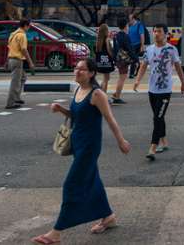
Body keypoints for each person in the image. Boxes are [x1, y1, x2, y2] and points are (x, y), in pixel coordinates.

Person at [32, 59, 130, 244]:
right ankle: (108, 217)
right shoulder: (78, 90)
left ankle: (56, 232)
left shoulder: (97, 94)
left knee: (71, 184)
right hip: (77, 142)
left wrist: (121, 141)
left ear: (92, 73)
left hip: (89, 146)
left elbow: (110, 119)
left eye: (82, 69)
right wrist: (61, 109)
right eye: (76, 68)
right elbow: (76, 116)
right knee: (93, 180)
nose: (77, 71)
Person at [132, 24, 184, 161]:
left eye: (159, 31)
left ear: (166, 34)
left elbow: (178, 67)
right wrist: (137, 80)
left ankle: (153, 147)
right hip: (152, 90)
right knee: (158, 117)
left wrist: (183, 83)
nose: (156, 34)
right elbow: (143, 65)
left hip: (165, 90)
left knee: (157, 117)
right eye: (155, 31)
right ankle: (164, 141)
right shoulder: (149, 49)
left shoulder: (171, 49)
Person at [5, 18, 35, 109]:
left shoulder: (13, 34)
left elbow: (10, 48)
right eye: (29, 26)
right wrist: (30, 62)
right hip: (17, 61)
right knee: (15, 83)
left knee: (23, 77)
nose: (29, 28)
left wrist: (7, 61)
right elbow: (24, 50)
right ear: (25, 26)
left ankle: (17, 97)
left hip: (11, 59)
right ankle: (10, 103)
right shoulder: (22, 35)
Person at [110, 18, 134, 105]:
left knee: (121, 77)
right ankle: (117, 97)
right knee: (122, 78)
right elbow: (129, 49)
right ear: (126, 26)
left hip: (118, 59)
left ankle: (116, 94)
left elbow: (115, 49)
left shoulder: (116, 36)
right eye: (128, 25)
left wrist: (114, 59)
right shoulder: (125, 36)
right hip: (124, 60)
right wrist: (135, 58)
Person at [93, 23, 114, 92]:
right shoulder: (107, 39)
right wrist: (112, 56)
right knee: (106, 79)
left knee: (105, 79)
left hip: (100, 61)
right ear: (105, 31)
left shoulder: (98, 39)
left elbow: (96, 51)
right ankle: (103, 94)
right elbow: (109, 50)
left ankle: (101, 92)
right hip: (107, 61)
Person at [125, 13, 147, 79]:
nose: (129, 20)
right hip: (130, 45)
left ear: (133, 19)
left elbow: (142, 36)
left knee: (133, 59)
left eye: (130, 19)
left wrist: (142, 46)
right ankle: (138, 67)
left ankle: (131, 74)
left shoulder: (139, 25)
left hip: (137, 44)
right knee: (134, 59)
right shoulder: (130, 25)